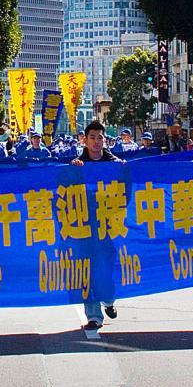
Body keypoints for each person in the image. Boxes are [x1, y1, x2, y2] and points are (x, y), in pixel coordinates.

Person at [71, 120, 119, 330]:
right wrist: (74, 170)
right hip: (84, 226)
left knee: (106, 269)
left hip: (108, 226)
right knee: (86, 271)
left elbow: (126, 192)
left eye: (100, 137)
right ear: (84, 140)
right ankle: (93, 316)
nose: (97, 142)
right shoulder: (76, 165)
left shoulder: (116, 164)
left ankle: (108, 300)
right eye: (92, 137)